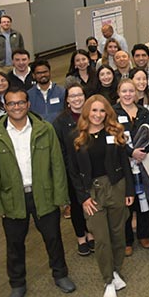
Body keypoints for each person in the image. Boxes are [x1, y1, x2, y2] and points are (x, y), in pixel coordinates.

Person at [0, 87, 75, 297]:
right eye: (11, 104)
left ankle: (60, 274)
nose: (17, 107)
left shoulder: (44, 129)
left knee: (53, 237)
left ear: (28, 104)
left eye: (21, 102)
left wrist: (62, 197)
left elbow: (57, 165)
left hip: (43, 194)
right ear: (4, 107)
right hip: (12, 198)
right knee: (14, 243)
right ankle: (17, 284)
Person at [70, 94, 134, 297]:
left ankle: (116, 270)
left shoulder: (114, 133)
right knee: (102, 238)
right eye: (94, 110)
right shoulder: (77, 137)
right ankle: (108, 280)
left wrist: (129, 191)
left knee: (118, 234)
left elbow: (125, 164)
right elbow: (72, 171)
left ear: (107, 113)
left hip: (116, 187)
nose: (98, 115)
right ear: (87, 112)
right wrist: (83, 198)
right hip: (92, 192)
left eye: (102, 111)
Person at [114, 79, 149, 255]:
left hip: (143, 163)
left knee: (144, 198)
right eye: (124, 91)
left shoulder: (144, 112)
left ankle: (144, 235)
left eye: (131, 91)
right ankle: (127, 241)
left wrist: (142, 152)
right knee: (126, 201)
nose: (128, 94)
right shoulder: (112, 113)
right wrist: (131, 152)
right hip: (122, 164)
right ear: (118, 93)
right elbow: (112, 137)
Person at [52, 84, 94, 257]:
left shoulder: (93, 116)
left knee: (92, 202)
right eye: (72, 96)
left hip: (92, 168)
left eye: (80, 95)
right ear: (67, 100)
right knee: (77, 206)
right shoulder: (60, 122)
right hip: (72, 171)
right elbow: (60, 149)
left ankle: (91, 233)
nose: (77, 99)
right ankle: (81, 238)